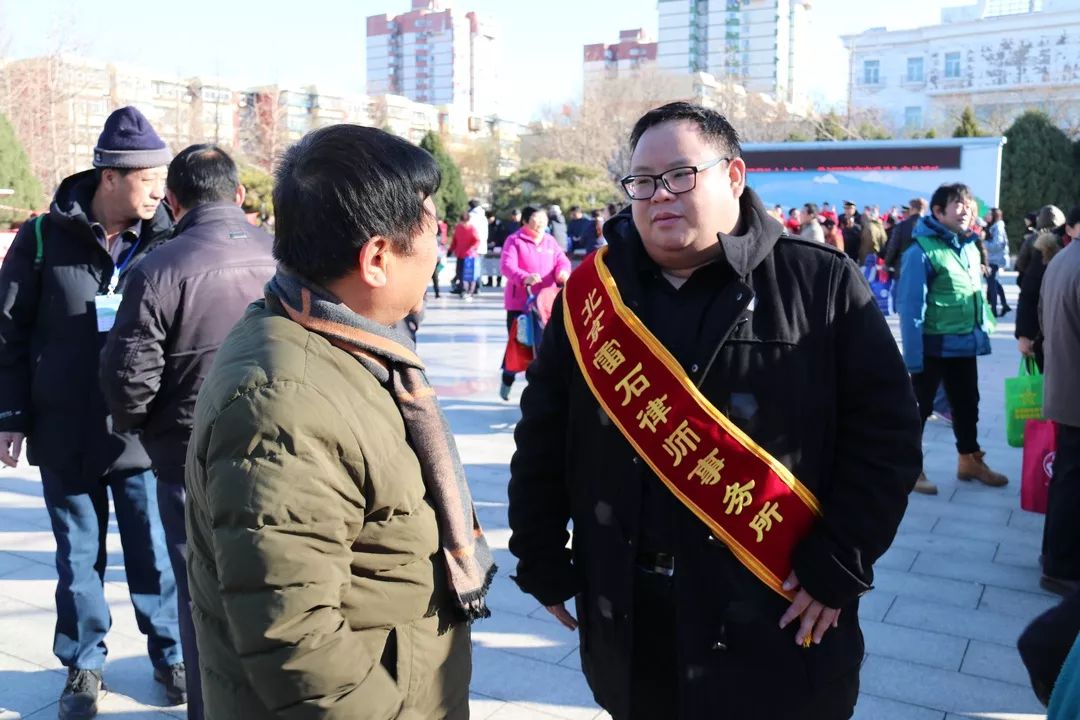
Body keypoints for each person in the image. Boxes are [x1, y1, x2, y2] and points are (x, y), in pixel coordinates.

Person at [507, 102, 921, 720]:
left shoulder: (821, 284)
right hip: (633, 617)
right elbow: (543, 434)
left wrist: (839, 564)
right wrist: (538, 552)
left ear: (734, 176)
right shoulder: (592, 296)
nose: (658, 196)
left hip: (776, 614)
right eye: (641, 182)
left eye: (680, 175)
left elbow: (886, 439)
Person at [185, 125, 490, 719]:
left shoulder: (346, 345)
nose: (439, 249)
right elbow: (298, 647)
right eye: (431, 230)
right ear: (377, 257)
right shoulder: (286, 403)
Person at [0, 106, 183, 719]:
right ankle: (83, 664)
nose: (160, 189)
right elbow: (8, 332)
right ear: (111, 177)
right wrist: (10, 415)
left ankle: (170, 654)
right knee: (77, 557)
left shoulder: (165, 239)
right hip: (63, 431)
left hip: (138, 433)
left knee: (151, 554)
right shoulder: (43, 237)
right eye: (149, 177)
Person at [98, 144, 276, 719]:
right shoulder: (286, 254)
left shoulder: (157, 268)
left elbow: (129, 377)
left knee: (203, 600)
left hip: (187, 458)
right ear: (240, 195)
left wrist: (137, 428)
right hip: (285, 448)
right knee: (282, 587)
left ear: (172, 202)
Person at [896, 183, 1008, 497]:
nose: (966, 210)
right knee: (918, 409)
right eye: (957, 205)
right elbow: (910, 307)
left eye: (968, 204)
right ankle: (910, 468)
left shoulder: (971, 246)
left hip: (964, 344)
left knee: (967, 404)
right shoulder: (920, 251)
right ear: (937, 212)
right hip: (932, 346)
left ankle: (969, 460)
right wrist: (914, 359)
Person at [1036, 206, 1080, 596]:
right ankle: (1061, 566)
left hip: (1063, 384)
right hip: (1075, 389)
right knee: (1072, 482)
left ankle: (1054, 556)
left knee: (1067, 477)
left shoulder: (1062, 259)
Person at [498, 205, 571, 401]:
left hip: (546, 303)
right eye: (536, 220)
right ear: (525, 221)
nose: (540, 224)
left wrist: (562, 273)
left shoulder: (550, 241)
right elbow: (506, 266)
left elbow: (562, 261)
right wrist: (524, 277)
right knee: (520, 343)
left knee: (545, 347)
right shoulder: (514, 241)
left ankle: (539, 390)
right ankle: (508, 377)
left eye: (543, 220)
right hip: (520, 303)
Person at [1016, 205, 1070, 370]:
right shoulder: (1047, 246)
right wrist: (1025, 334)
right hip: (1050, 336)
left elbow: (1021, 266)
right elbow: (1029, 294)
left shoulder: (1034, 239)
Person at [883, 198, 927, 281]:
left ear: (913, 209)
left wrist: (886, 264)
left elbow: (893, 247)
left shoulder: (902, 226)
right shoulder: (928, 227)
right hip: (921, 271)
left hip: (902, 267)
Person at [983, 207, 1010, 317]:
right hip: (991, 259)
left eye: (989, 214)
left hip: (994, 260)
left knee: (992, 284)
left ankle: (993, 310)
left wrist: (983, 243)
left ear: (994, 216)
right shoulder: (993, 227)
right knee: (993, 283)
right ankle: (1004, 305)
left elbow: (997, 245)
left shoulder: (998, 227)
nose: (987, 216)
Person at [452, 211, 480, 300]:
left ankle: (469, 291)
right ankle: (462, 289)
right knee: (459, 273)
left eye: (466, 222)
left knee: (468, 274)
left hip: (469, 256)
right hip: (460, 254)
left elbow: (477, 241)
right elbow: (454, 240)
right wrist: (451, 250)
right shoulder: (458, 228)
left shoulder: (472, 229)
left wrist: (473, 248)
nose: (464, 224)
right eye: (462, 221)